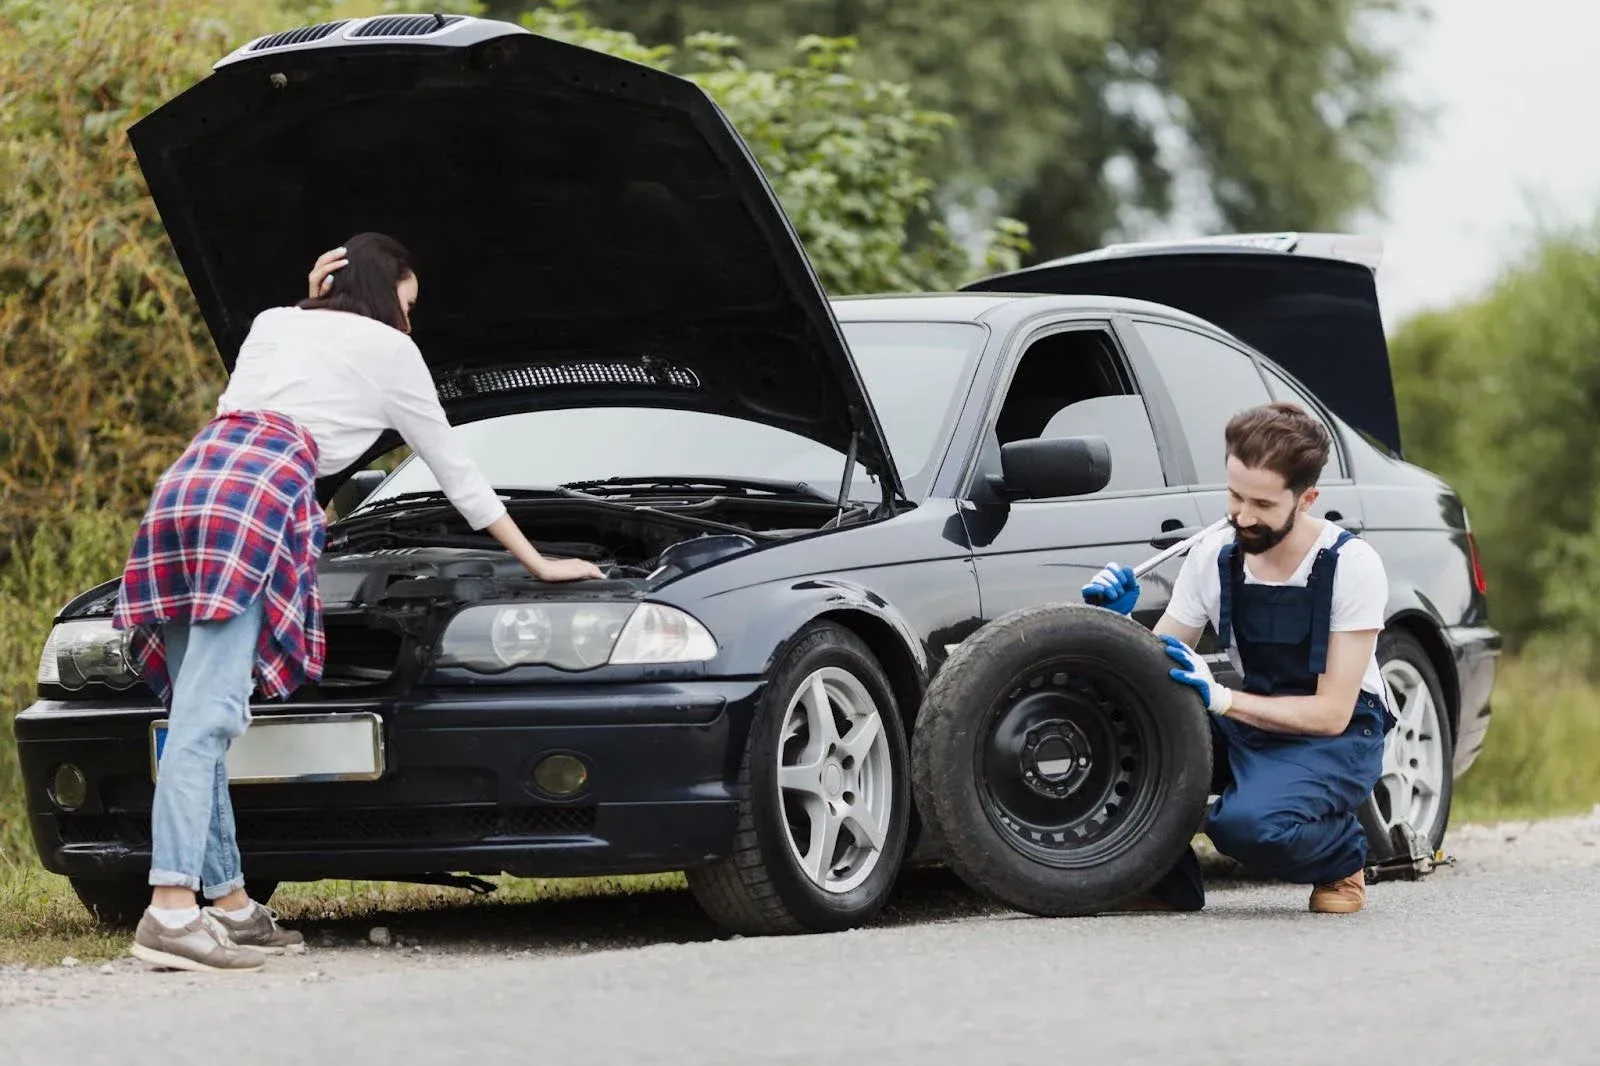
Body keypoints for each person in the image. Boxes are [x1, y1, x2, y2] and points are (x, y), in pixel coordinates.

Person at [113, 234, 603, 973]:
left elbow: (268, 383)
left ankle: (233, 908)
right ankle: (171, 908)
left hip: (189, 483)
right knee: (207, 720)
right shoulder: (390, 350)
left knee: (196, 712)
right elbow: (455, 468)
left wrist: (306, 289)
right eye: (410, 301)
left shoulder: (275, 322)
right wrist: (536, 558)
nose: (412, 318)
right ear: (389, 290)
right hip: (254, 495)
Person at [1081, 401, 1395, 914]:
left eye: (1264, 505)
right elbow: (1156, 671)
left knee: (1245, 828)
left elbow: (1331, 712)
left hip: (1337, 735)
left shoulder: (1351, 565)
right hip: (1250, 716)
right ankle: (1162, 880)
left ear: (1307, 498)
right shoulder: (1213, 554)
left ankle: (1342, 857)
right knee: (1125, 725)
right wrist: (1115, 624)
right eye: (1234, 496)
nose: (1243, 517)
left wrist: (1223, 698)